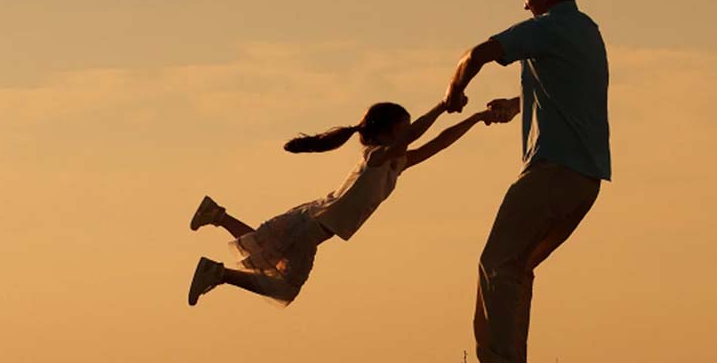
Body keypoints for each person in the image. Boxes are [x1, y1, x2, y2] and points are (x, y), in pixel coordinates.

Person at [443, 0, 611, 363]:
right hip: (585, 178)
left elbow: (478, 53)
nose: (525, 5)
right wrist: (516, 106)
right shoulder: (587, 32)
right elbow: (565, 92)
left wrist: (454, 89)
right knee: (517, 266)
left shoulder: (548, 27)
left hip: (551, 169)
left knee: (497, 261)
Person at [187, 98, 509, 307]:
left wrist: (477, 118)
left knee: (261, 251)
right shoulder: (376, 157)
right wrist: (441, 106)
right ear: (384, 134)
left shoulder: (396, 162)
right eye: (403, 128)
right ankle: (217, 271)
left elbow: (437, 144)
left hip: (311, 223)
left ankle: (216, 217)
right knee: (281, 284)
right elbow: (416, 138)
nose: (409, 133)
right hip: (310, 226)